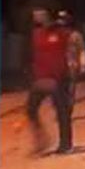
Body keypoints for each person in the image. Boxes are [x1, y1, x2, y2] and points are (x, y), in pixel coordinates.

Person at [26, 8, 77, 154]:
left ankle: (65, 145)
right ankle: (41, 140)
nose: (37, 18)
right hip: (41, 78)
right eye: (36, 16)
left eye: (40, 15)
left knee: (62, 112)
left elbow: (73, 47)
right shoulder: (36, 34)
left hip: (59, 78)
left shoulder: (62, 32)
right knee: (30, 109)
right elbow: (32, 55)